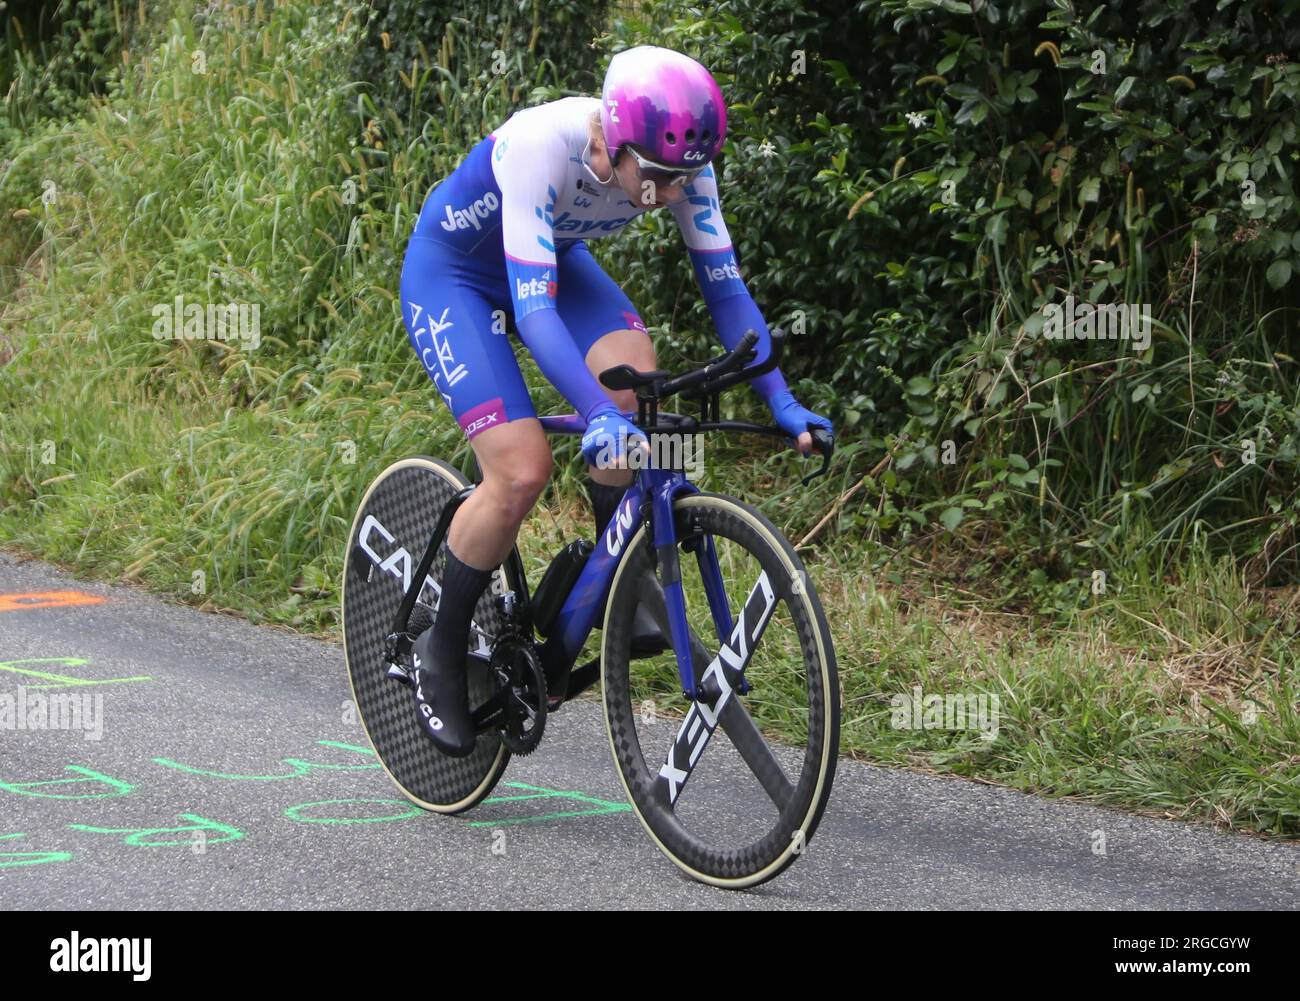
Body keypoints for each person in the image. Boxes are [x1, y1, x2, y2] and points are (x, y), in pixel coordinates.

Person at [398, 45, 834, 756]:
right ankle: (439, 653)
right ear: (612, 137)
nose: (668, 193)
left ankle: (613, 580)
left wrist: (781, 399)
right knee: (520, 471)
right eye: (656, 177)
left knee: (637, 376)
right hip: (456, 279)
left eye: (683, 178)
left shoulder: (679, 170)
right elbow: (534, 312)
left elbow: (725, 288)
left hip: (550, 261)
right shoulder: (544, 144)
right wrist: (595, 414)